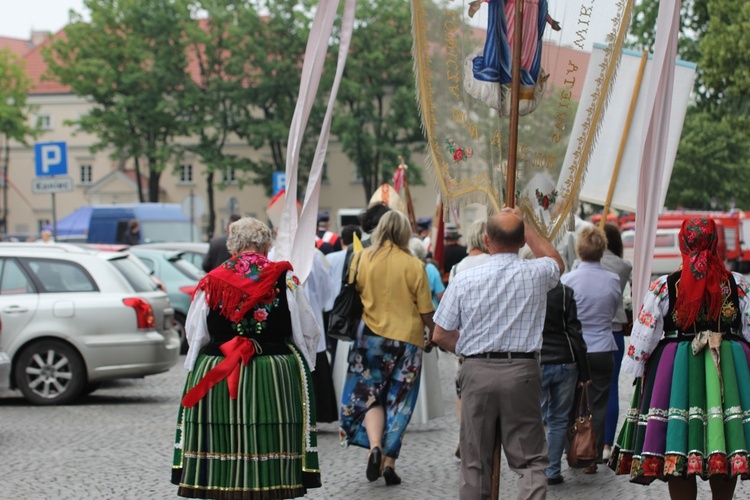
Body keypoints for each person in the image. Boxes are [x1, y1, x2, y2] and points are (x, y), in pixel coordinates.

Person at [171, 217, 322, 499]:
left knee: (224, 433)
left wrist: (197, 363)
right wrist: (306, 363)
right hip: (274, 370)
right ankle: (269, 483)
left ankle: (224, 483)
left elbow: (197, 334)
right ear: (266, 247)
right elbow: (307, 330)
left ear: (232, 247)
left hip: (220, 367)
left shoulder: (211, 281)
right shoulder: (285, 278)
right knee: (270, 430)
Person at [609, 218, 750, 499]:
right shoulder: (737, 284)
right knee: (725, 434)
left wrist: (639, 367)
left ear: (682, 243)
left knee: (681, 441)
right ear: (715, 243)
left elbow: (645, 331)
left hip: (678, 371)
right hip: (729, 366)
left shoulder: (665, 286)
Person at [432, 206, 564, 500]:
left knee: (474, 461)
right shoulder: (536, 272)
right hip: (522, 371)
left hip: (477, 371)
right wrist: (526, 225)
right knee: (530, 461)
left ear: (486, 240)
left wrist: (468, 350)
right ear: (520, 242)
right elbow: (556, 260)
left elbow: (440, 334)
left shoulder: (464, 280)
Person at [339, 210, 436, 487]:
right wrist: (435, 334)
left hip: (370, 339)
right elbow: (426, 310)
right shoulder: (415, 265)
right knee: (399, 401)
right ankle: (390, 461)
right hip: (407, 341)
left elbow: (352, 294)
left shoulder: (360, 258)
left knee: (370, 397)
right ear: (406, 233)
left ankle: (374, 447)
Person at [523, 243, 591, 486]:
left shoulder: (526, 291)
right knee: (559, 419)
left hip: (536, 360)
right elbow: (575, 332)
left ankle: (535, 469)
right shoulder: (564, 292)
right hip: (566, 360)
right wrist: (584, 371)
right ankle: (552, 471)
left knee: (535, 418)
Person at [561, 226, 621, 474]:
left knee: (569, 403)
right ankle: (592, 454)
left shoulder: (568, 280)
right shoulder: (613, 279)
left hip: (575, 348)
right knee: (598, 403)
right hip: (603, 346)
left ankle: (572, 449)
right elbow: (614, 307)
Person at [447, 218, 490, 458]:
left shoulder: (458, 268)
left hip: (465, 341)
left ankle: (465, 435)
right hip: (494, 339)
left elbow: (451, 312)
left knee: (463, 393)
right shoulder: (497, 263)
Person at [600, 224, 633, 461]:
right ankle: (606, 445)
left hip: (588, 334)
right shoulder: (624, 266)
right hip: (615, 332)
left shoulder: (582, 266)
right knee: (611, 389)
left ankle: (587, 441)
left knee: (587, 391)